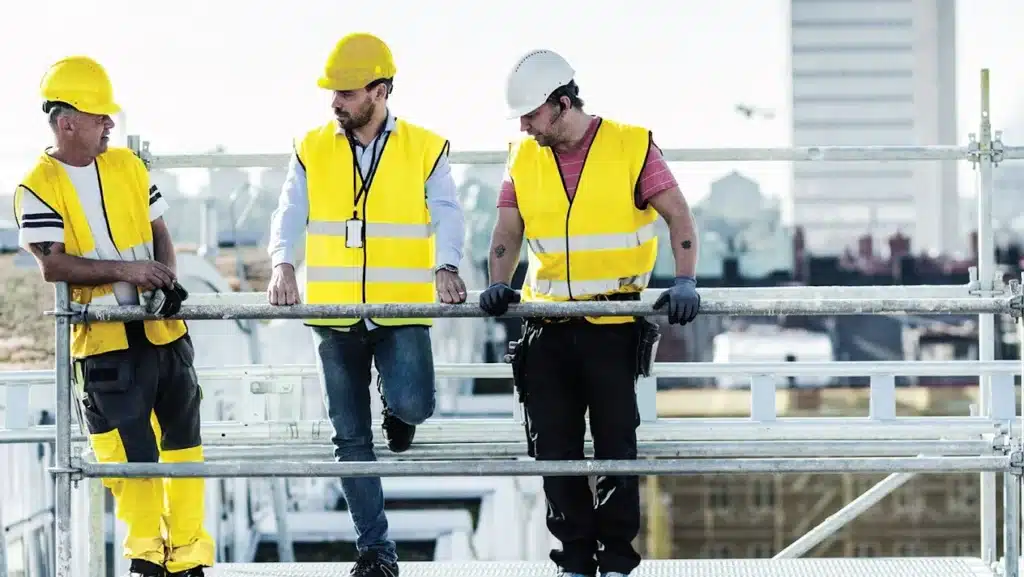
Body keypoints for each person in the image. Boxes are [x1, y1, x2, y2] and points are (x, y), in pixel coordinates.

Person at [479, 49, 702, 577]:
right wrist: (496, 284)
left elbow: (678, 215)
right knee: (552, 450)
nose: (524, 125)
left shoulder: (630, 146)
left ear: (561, 103)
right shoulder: (522, 155)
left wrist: (686, 279)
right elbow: (507, 234)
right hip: (546, 325)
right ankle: (574, 560)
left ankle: (617, 562)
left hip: (613, 324)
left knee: (615, 448)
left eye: (532, 114)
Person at [266, 32, 467, 577]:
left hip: (400, 308)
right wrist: (283, 262)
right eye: (333, 92)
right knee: (349, 437)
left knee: (415, 406)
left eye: (347, 93)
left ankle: (398, 414)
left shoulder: (425, 147)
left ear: (379, 91)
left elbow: (447, 212)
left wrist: (446, 264)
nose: (336, 102)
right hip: (333, 316)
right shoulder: (310, 147)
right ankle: (375, 551)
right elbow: (289, 211)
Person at [14, 56, 215, 577]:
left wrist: (165, 277)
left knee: (184, 446)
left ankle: (190, 555)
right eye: (100, 116)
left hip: (164, 332)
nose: (109, 125)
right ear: (68, 122)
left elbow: (161, 232)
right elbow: (52, 264)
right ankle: (147, 556)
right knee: (130, 453)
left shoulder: (128, 165)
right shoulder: (36, 185)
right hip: (104, 342)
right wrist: (132, 269)